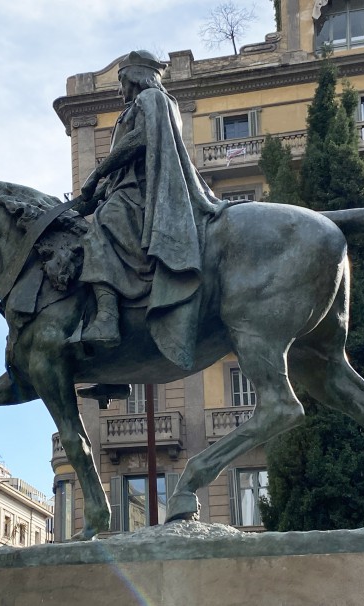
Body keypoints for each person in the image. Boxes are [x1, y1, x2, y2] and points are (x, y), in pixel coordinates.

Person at [73, 50, 225, 371]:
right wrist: (94, 192)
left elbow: (140, 141)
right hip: (126, 189)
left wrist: (97, 173)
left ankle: (108, 318)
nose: (120, 89)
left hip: (142, 194)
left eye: (122, 80)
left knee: (100, 228)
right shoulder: (145, 103)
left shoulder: (152, 98)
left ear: (136, 76)